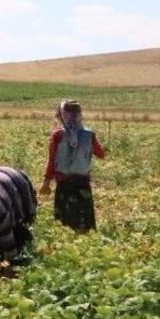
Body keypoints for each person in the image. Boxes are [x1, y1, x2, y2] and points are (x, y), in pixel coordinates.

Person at [40, 100, 106, 233]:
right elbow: (101, 154)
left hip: (64, 183)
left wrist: (46, 183)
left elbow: (52, 161)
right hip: (82, 183)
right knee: (83, 221)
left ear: (62, 115)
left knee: (64, 224)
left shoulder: (57, 135)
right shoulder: (89, 134)